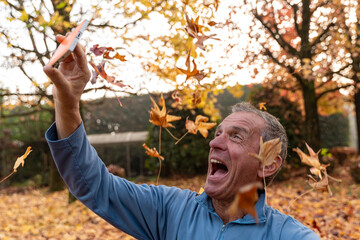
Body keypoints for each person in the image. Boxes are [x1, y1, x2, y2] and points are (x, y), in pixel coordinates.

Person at [43, 35, 320, 240]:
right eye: (217, 134)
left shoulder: (291, 236)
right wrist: (68, 104)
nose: (214, 143)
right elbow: (94, 185)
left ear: (268, 163)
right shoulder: (169, 209)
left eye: (236, 137)